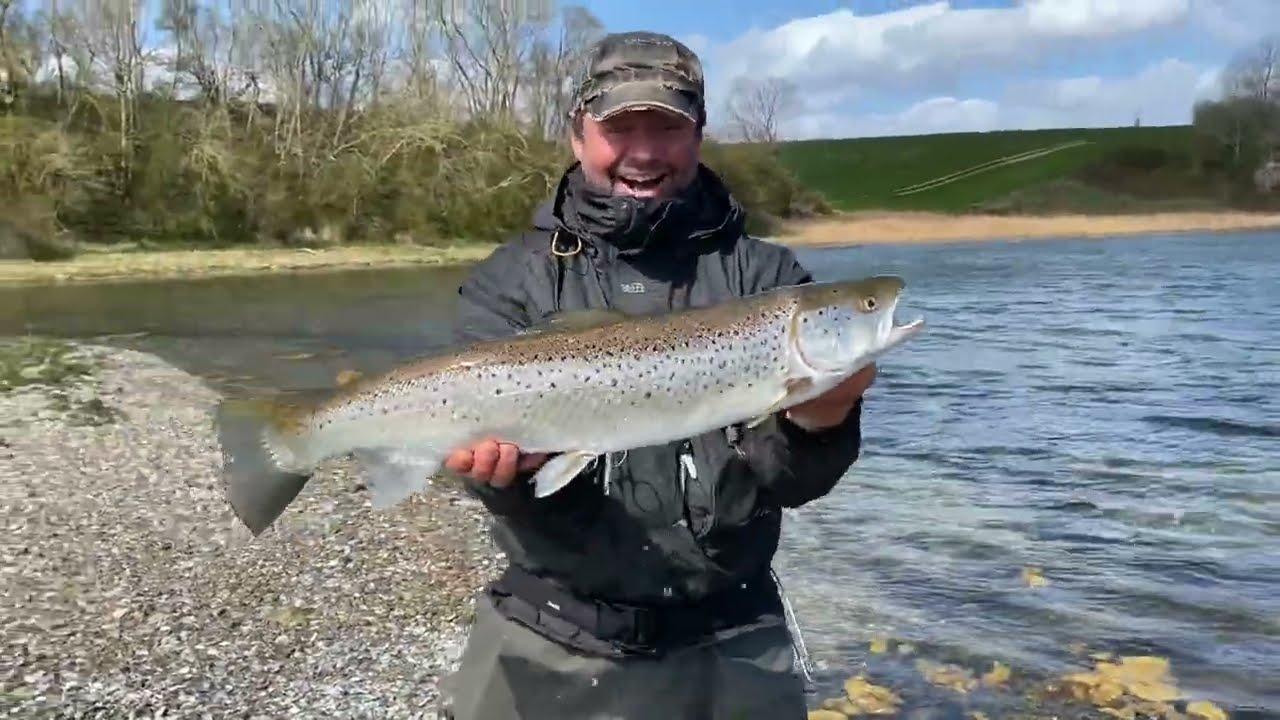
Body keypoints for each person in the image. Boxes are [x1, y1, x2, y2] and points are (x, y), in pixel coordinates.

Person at [438, 30, 877, 720]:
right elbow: (478, 468)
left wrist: (822, 419)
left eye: (666, 127)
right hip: (550, 632)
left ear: (698, 134)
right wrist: (502, 474)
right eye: (621, 128)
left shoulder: (767, 281)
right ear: (578, 135)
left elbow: (796, 483)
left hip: (734, 636)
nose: (643, 152)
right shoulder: (511, 283)